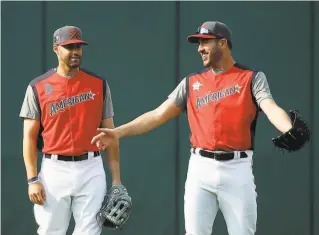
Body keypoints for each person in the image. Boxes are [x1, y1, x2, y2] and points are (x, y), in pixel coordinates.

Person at [90, 21, 309, 235]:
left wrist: (287, 127)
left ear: (222, 43)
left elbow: (269, 106)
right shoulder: (191, 83)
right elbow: (157, 115)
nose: (200, 49)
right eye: (198, 43)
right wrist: (118, 132)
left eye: (205, 42)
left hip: (238, 169)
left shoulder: (251, 78)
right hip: (200, 170)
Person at [19, 25, 125, 235]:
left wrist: (116, 181)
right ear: (56, 48)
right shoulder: (38, 87)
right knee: (51, 230)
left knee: (90, 231)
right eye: (69, 46)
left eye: (78, 46)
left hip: (91, 167)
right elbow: (29, 138)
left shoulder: (98, 84)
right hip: (54, 169)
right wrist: (32, 179)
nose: (75, 51)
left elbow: (111, 136)